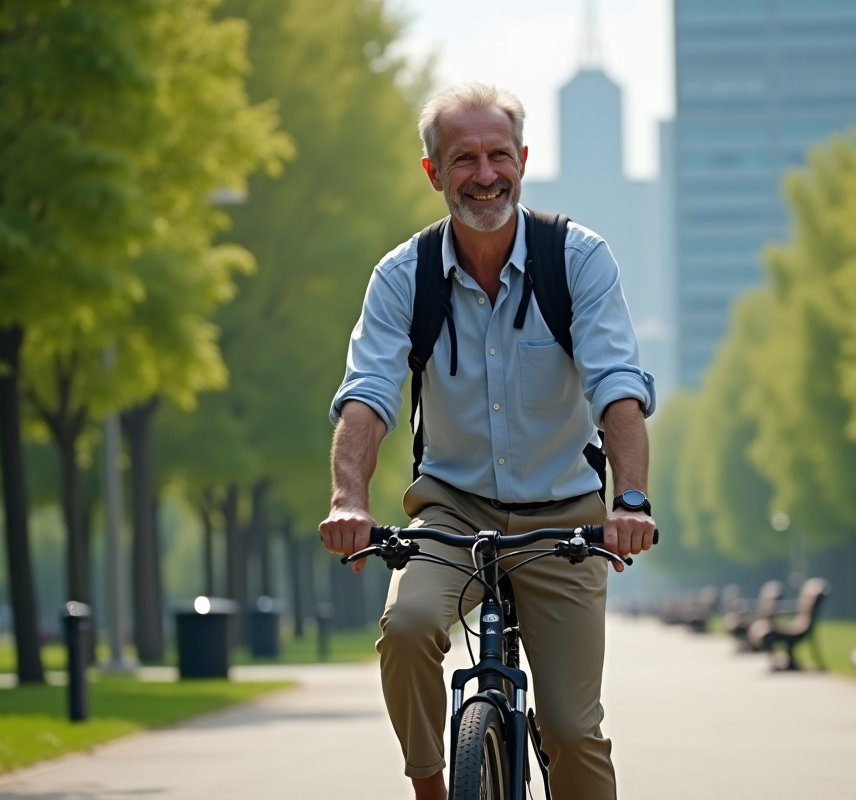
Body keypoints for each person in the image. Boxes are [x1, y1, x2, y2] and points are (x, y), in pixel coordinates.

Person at [319, 83, 656, 800]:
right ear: (433, 171)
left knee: (570, 729)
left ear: (523, 160)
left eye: (498, 154)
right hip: (452, 511)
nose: (484, 174)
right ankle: (432, 788)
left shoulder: (577, 260)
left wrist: (628, 499)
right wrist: (348, 498)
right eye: (462, 158)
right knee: (407, 627)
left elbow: (616, 384)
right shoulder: (402, 277)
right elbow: (367, 396)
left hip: (564, 513)